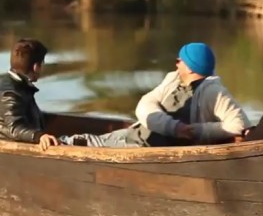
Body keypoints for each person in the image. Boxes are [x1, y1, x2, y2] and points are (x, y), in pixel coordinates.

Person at [61, 42, 252, 148]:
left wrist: (196, 131)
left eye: (180, 60)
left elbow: (239, 124)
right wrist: (175, 127)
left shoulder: (214, 92)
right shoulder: (173, 78)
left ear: (192, 67)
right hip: (137, 134)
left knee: (84, 143)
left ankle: (61, 144)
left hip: (147, 147)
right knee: (83, 140)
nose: (176, 64)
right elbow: (145, 105)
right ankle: (62, 142)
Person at [0, 39, 60, 151]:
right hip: (10, 152)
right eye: (42, 63)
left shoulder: (18, 85)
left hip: (19, 146)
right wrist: (39, 136)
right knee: (89, 140)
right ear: (36, 67)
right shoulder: (10, 93)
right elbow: (15, 128)